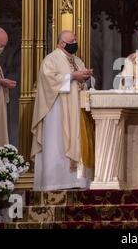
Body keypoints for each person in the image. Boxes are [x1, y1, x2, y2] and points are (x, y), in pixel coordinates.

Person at [31, 30, 94, 191]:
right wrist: (72, 76)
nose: (75, 43)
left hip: (76, 108)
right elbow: (48, 81)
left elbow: (84, 81)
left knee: (77, 138)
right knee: (57, 141)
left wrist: (87, 76)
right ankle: (55, 180)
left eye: (75, 40)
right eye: (71, 40)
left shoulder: (77, 60)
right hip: (58, 110)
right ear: (61, 43)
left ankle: (77, 181)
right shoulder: (51, 59)